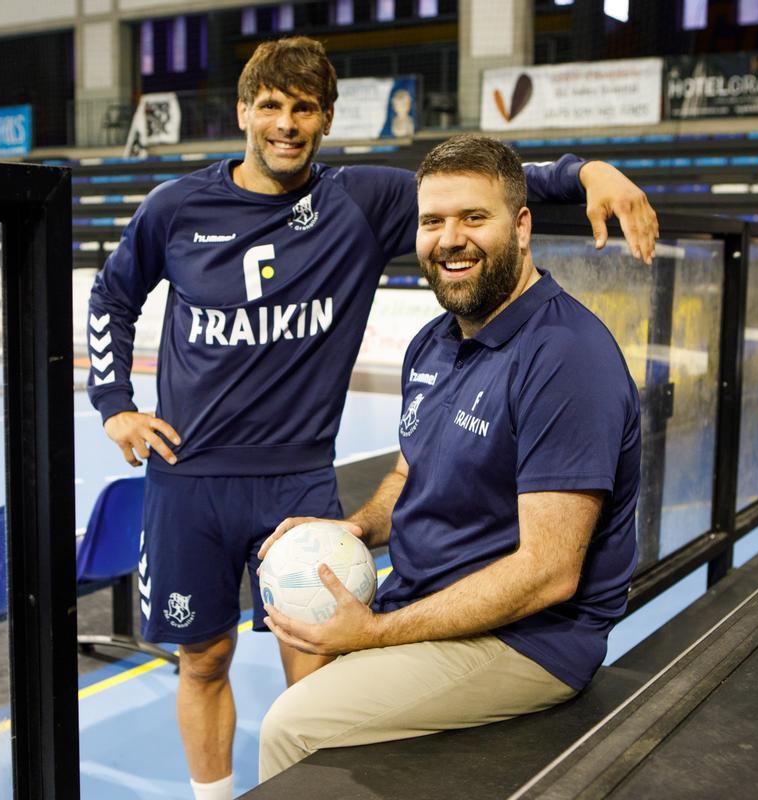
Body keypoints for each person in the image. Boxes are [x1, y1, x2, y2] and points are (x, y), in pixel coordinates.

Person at [86, 37, 655, 800]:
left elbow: (487, 190)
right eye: (272, 106)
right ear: (244, 112)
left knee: (321, 669)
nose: (287, 124)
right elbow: (112, 297)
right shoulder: (177, 207)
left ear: (325, 120)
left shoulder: (360, 201)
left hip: (298, 479)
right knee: (203, 659)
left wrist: (588, 171)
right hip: (190, 477)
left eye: (305, 109)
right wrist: (115, 405)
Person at [256, 133, 642, 780]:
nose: (449, 238)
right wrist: (355, 528)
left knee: (291, 727)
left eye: (473, 217)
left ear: (521, 226)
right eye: (433, 221)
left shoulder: (565, 355)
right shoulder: (432, 344)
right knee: (306, 654)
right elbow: (412, 471)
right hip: (428, 605)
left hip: (525, 643)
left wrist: (377, 635)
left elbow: (549, 573)